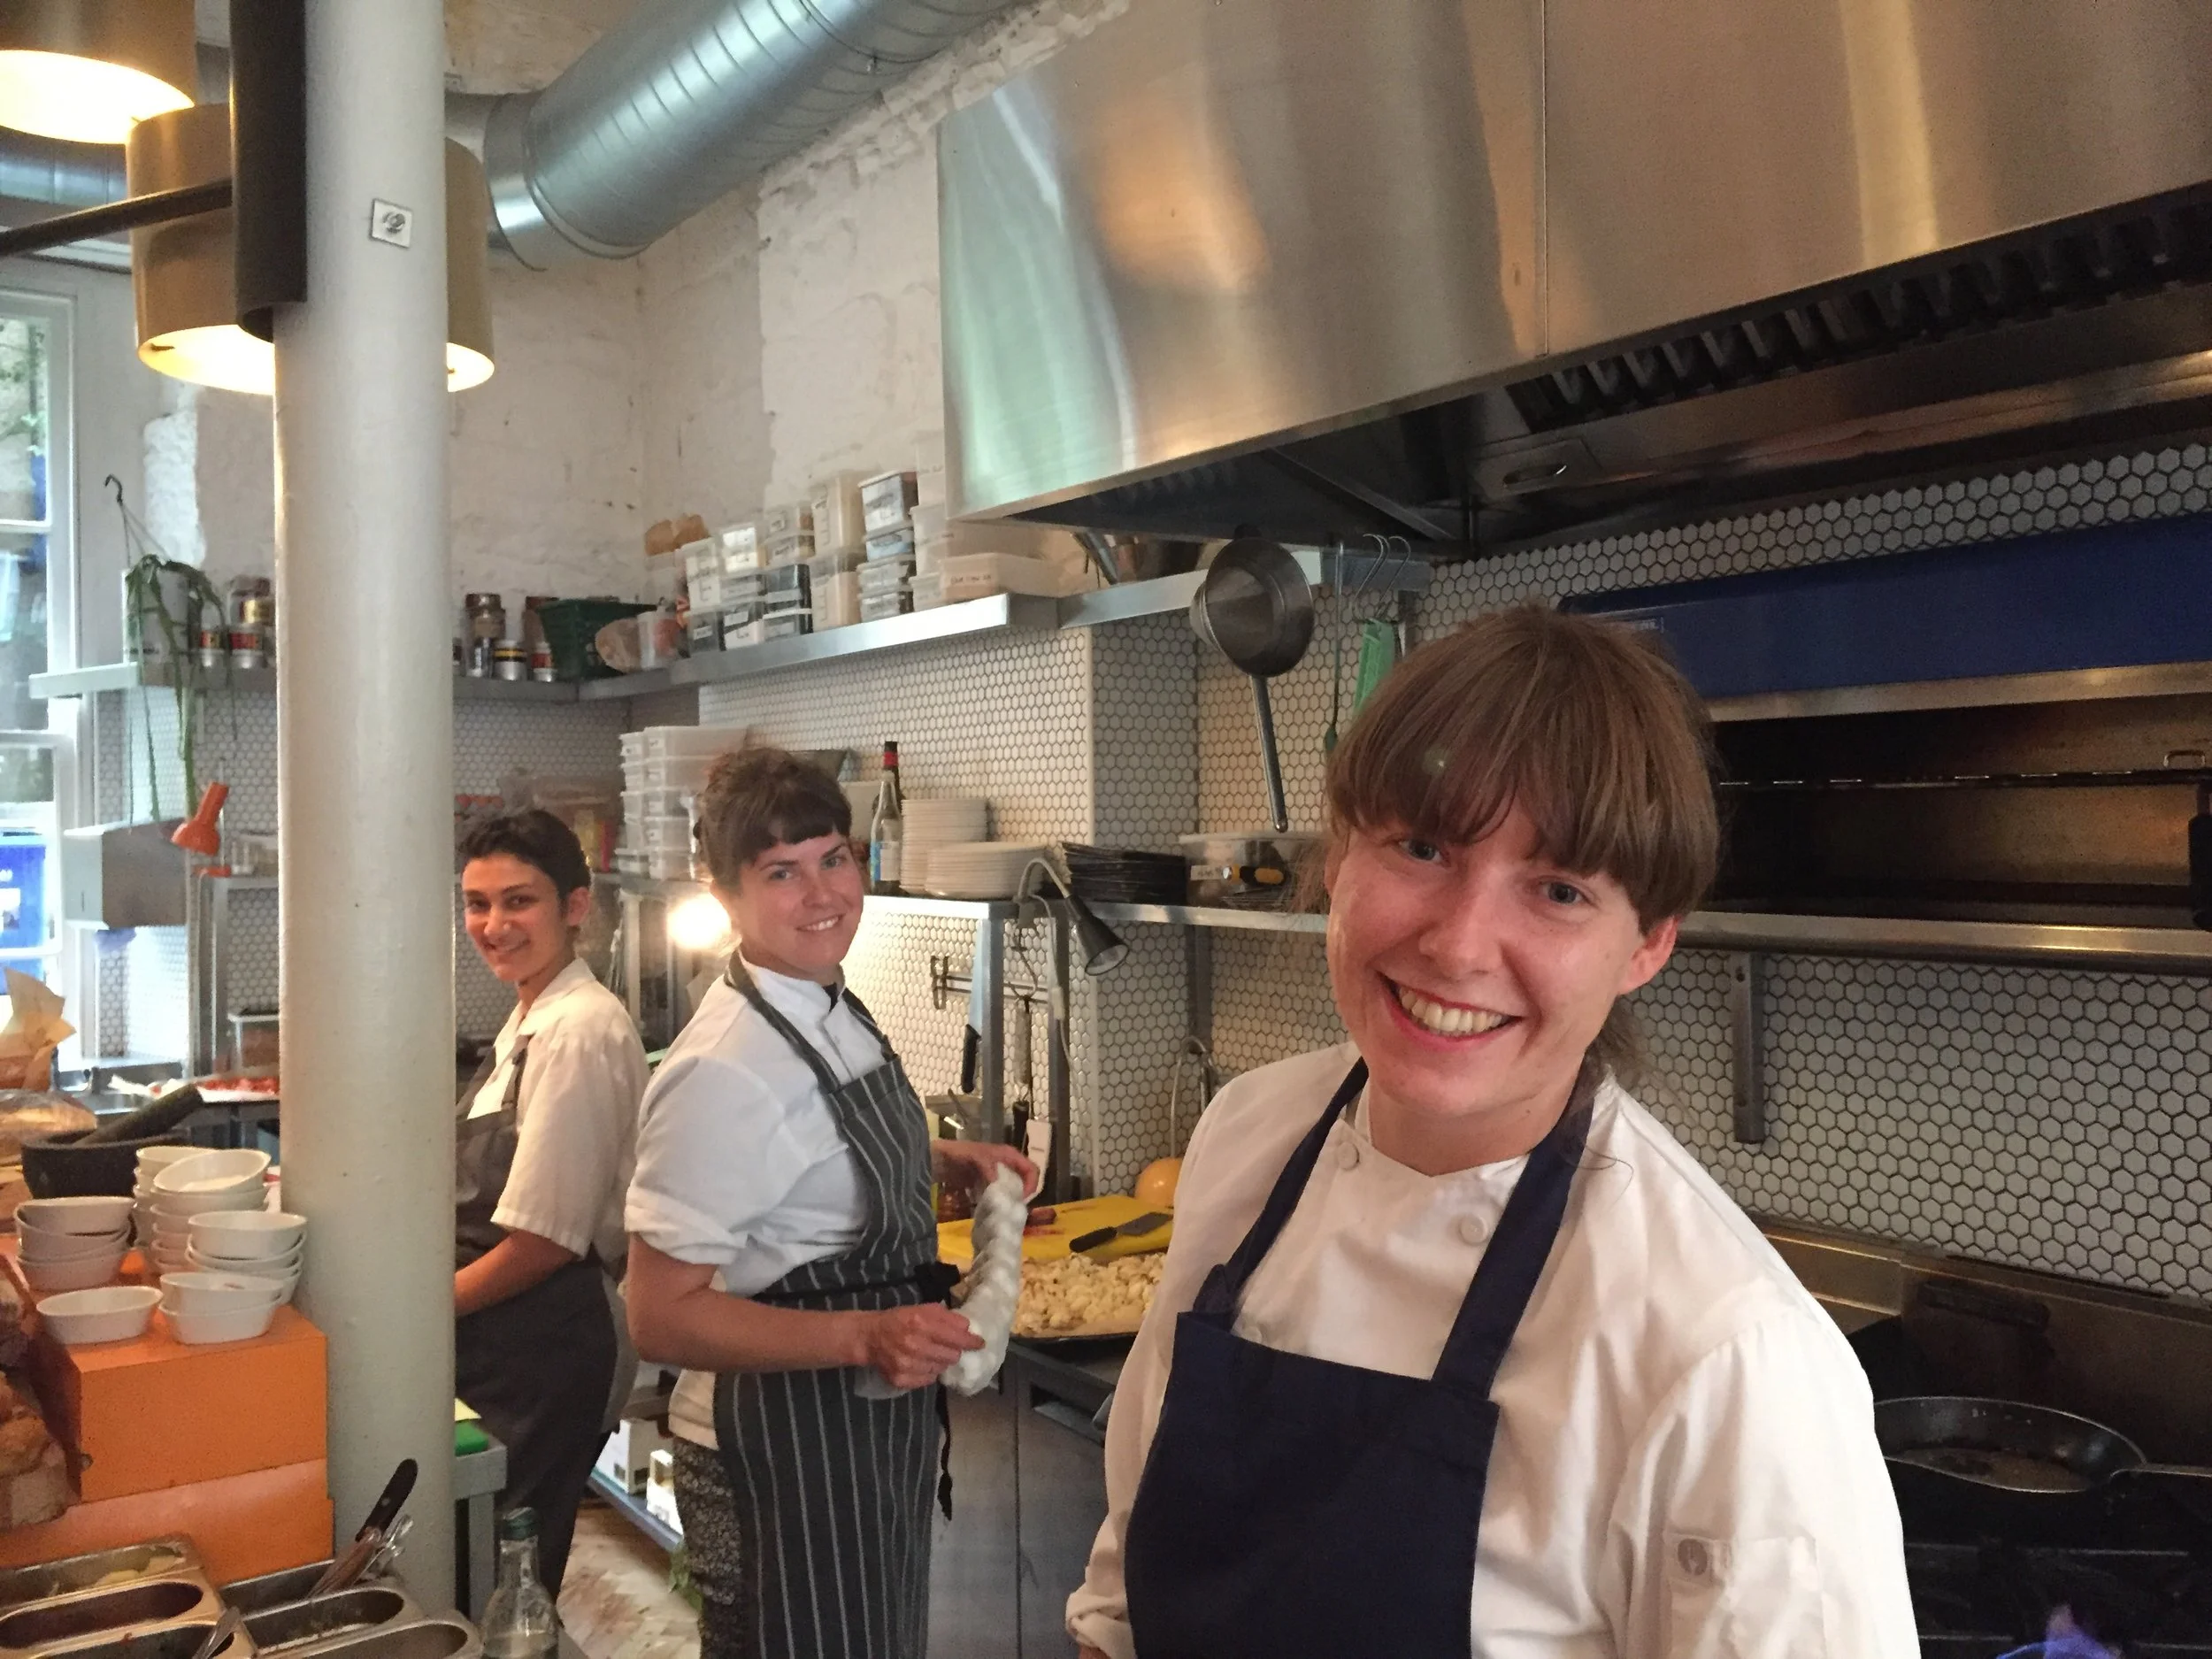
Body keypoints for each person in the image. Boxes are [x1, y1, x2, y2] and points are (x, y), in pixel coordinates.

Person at [1069, 607, 1917, 1659]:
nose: (1460, 945)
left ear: (1647, 944)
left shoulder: (1726, 1354)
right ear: (1339, 858)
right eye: (1421, 847)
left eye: (1558, 890)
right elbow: (1124, 1582)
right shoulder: (1249, 1133)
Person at [623, 744, 1034, 1659]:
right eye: (780, 873)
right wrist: (864, 1336)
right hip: (772, 1456)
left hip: (858, 1436)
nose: (821, 896)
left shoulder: (823, 1001)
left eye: (832, 860)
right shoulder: (722, 1066)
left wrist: (934, 1156)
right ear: (727, 896)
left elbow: (804, 1151)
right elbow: (656, 1315)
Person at [455, 810, 648, 1597]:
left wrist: (415, 1316)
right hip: (506, 1338)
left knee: (511, 1583)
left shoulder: (581, 1031)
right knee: (488, 1565)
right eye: (477, 903)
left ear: (575, 905)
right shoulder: (529, 1016)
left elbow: (547, 1241)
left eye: (518, 901)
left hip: (554, 1345)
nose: (493, 925)